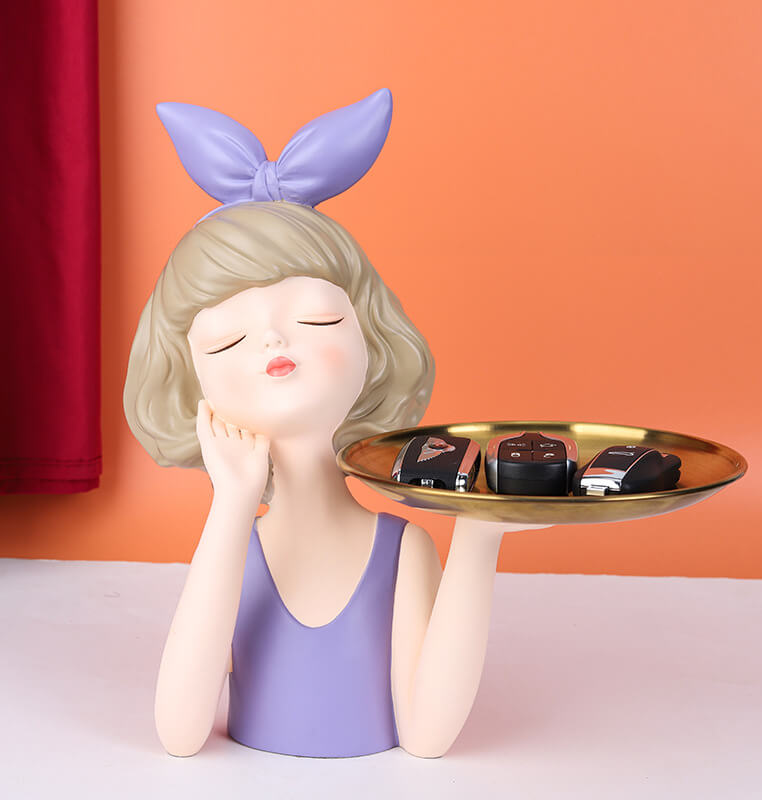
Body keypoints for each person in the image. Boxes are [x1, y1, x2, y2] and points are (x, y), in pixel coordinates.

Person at [123, 88, 550, 760]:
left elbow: (426, 737)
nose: (273, 341)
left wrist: (478, 534)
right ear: (191, 384)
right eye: (229, 339)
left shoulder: (403, 549)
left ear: (372, 346)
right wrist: (232, 504)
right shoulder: (236, 549)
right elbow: (180, 733)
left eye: (314, 316)